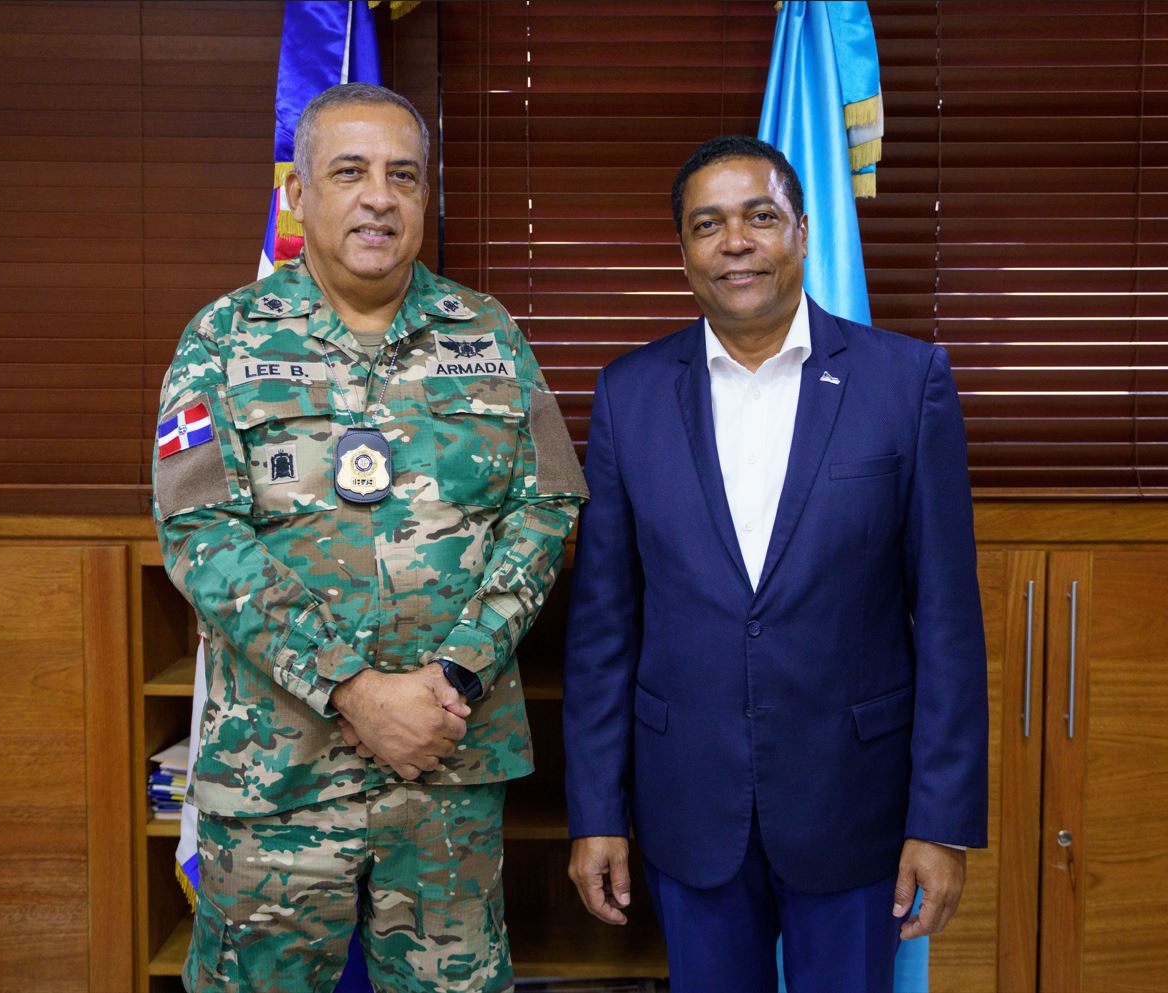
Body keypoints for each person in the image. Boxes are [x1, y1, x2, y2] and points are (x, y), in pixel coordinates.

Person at [152, 82, 587, 993]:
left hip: (446, 760)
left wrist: (456, 674)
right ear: (298, 196)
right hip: (279, 777)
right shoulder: (219, 342)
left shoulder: (492, 336)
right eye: (349, 172)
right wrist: (353, 688)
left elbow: (547, 509)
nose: (379, 197)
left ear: (425, 198)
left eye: (403, 175)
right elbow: (200, 533)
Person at [561, 135, 987, 993]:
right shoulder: (629, 394)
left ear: (803, 230)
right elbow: (604, 625)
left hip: (854, 804)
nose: (736, 241)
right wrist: (596, 813)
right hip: (690, 806)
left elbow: (946, 618)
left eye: (760, 216)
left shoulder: (906, 381)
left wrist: (941, 822)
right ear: (684, 252)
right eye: (707, 224)